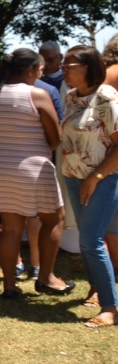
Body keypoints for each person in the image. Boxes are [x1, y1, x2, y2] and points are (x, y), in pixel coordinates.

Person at [0, 48, 73, 298]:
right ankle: (46, 277)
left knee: (10, 229)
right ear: (31, 70)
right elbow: (56, 138)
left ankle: (9, 286)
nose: (40, 75)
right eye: (40, 71)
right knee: (54, 219)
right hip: (34, 170)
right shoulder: (38, 94)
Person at [59, 46, 118, 328]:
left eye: (70, 64)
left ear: (89, 67)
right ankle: (97, 291)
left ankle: (110, 307)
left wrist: (95, 179)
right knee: (87, 238)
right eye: (64, 63)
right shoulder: (71, 97)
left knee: (92, 240)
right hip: (74, 176)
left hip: (103, 178)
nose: (64, 68)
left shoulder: (107, 97)